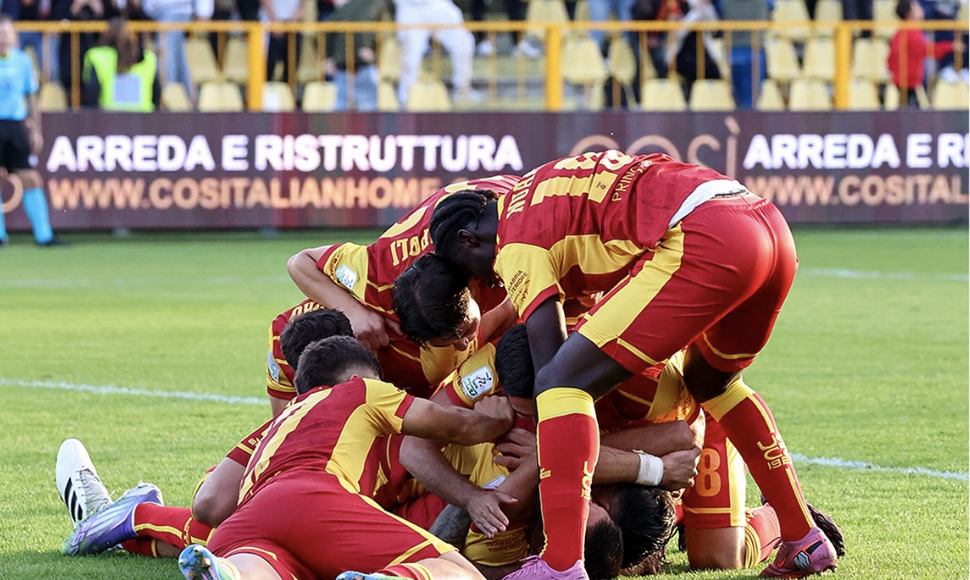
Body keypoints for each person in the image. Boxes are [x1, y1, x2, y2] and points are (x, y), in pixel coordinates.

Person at [425, 150, 839, 579]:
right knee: (714, 384)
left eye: (477, 274)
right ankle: (801, 536)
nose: (490, 281)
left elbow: (551, 361)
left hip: (705, 235)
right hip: (764, 223)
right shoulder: (534, 192)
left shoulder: (514, 244)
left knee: (560, 384)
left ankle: (560, 564)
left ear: (468, 240)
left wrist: (541, 452)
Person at [177, 334, 514, 580]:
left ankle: (229, 572)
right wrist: (496, 420)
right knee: (459, 572)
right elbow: (454, 425)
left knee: (260, 564)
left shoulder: (283, 417)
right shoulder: (360, 390)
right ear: (360, 377)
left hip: (247, 519)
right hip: (317, 497)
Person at [61, 309, 356, 558]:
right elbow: (282, 427)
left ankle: (121, 524)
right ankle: (136, 516)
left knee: (271, 543)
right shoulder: (294, 333)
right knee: (247, 532)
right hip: (249, 485)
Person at [282, 176, 521, 414]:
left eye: (465, 330)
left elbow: (301, 262)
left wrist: (354, 313)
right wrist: (355, 312)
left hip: (513, 200)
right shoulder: (380, 272)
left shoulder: (376, 271)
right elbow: (298, 262)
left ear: (470, 290)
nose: (463, 342)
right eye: (452, 339)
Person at [0, 15, 66, 247]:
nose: (3, 38)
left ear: (14, 37)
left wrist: (36, 130)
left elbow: (31, 96)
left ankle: (44, 235)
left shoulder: (22, 61)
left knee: (30, 178)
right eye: (0, 33)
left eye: (6, 33)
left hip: (15, 126)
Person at [392, 0, 476, 105]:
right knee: (410, 58)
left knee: (464, 43)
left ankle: (463, 91)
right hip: (410, 8)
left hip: (436, 4)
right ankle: (405, 99)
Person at [82, 18, 162, 111]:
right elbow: (156, 92)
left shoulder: (97, 57)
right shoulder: (148, 58)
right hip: (143, 116)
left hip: (110, 116)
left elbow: (91, 93)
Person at [324, 0, 388, 111]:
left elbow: (329, 30)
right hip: (362, 62)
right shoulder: (375, 3)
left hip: (342, 62)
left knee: (341, 108)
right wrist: (367, 48)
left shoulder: (345, 6)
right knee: (369, 109)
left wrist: (328, 56)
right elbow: (366, 25)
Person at [889, 0, 953, 107]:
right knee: (909, 109)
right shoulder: (910, 30)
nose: (920, 8)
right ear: (909, 12)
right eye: (916, 6)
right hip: (907, 79)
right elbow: (926, 50)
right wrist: (949, 46)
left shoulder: (904, 29)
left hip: (905, 78)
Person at [142, 0, 212, 94]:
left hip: (175, 9)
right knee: (179, 58)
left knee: (168, 60)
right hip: (158, 15)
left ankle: (171, 97)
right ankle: (186, 97)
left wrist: (204, 11)